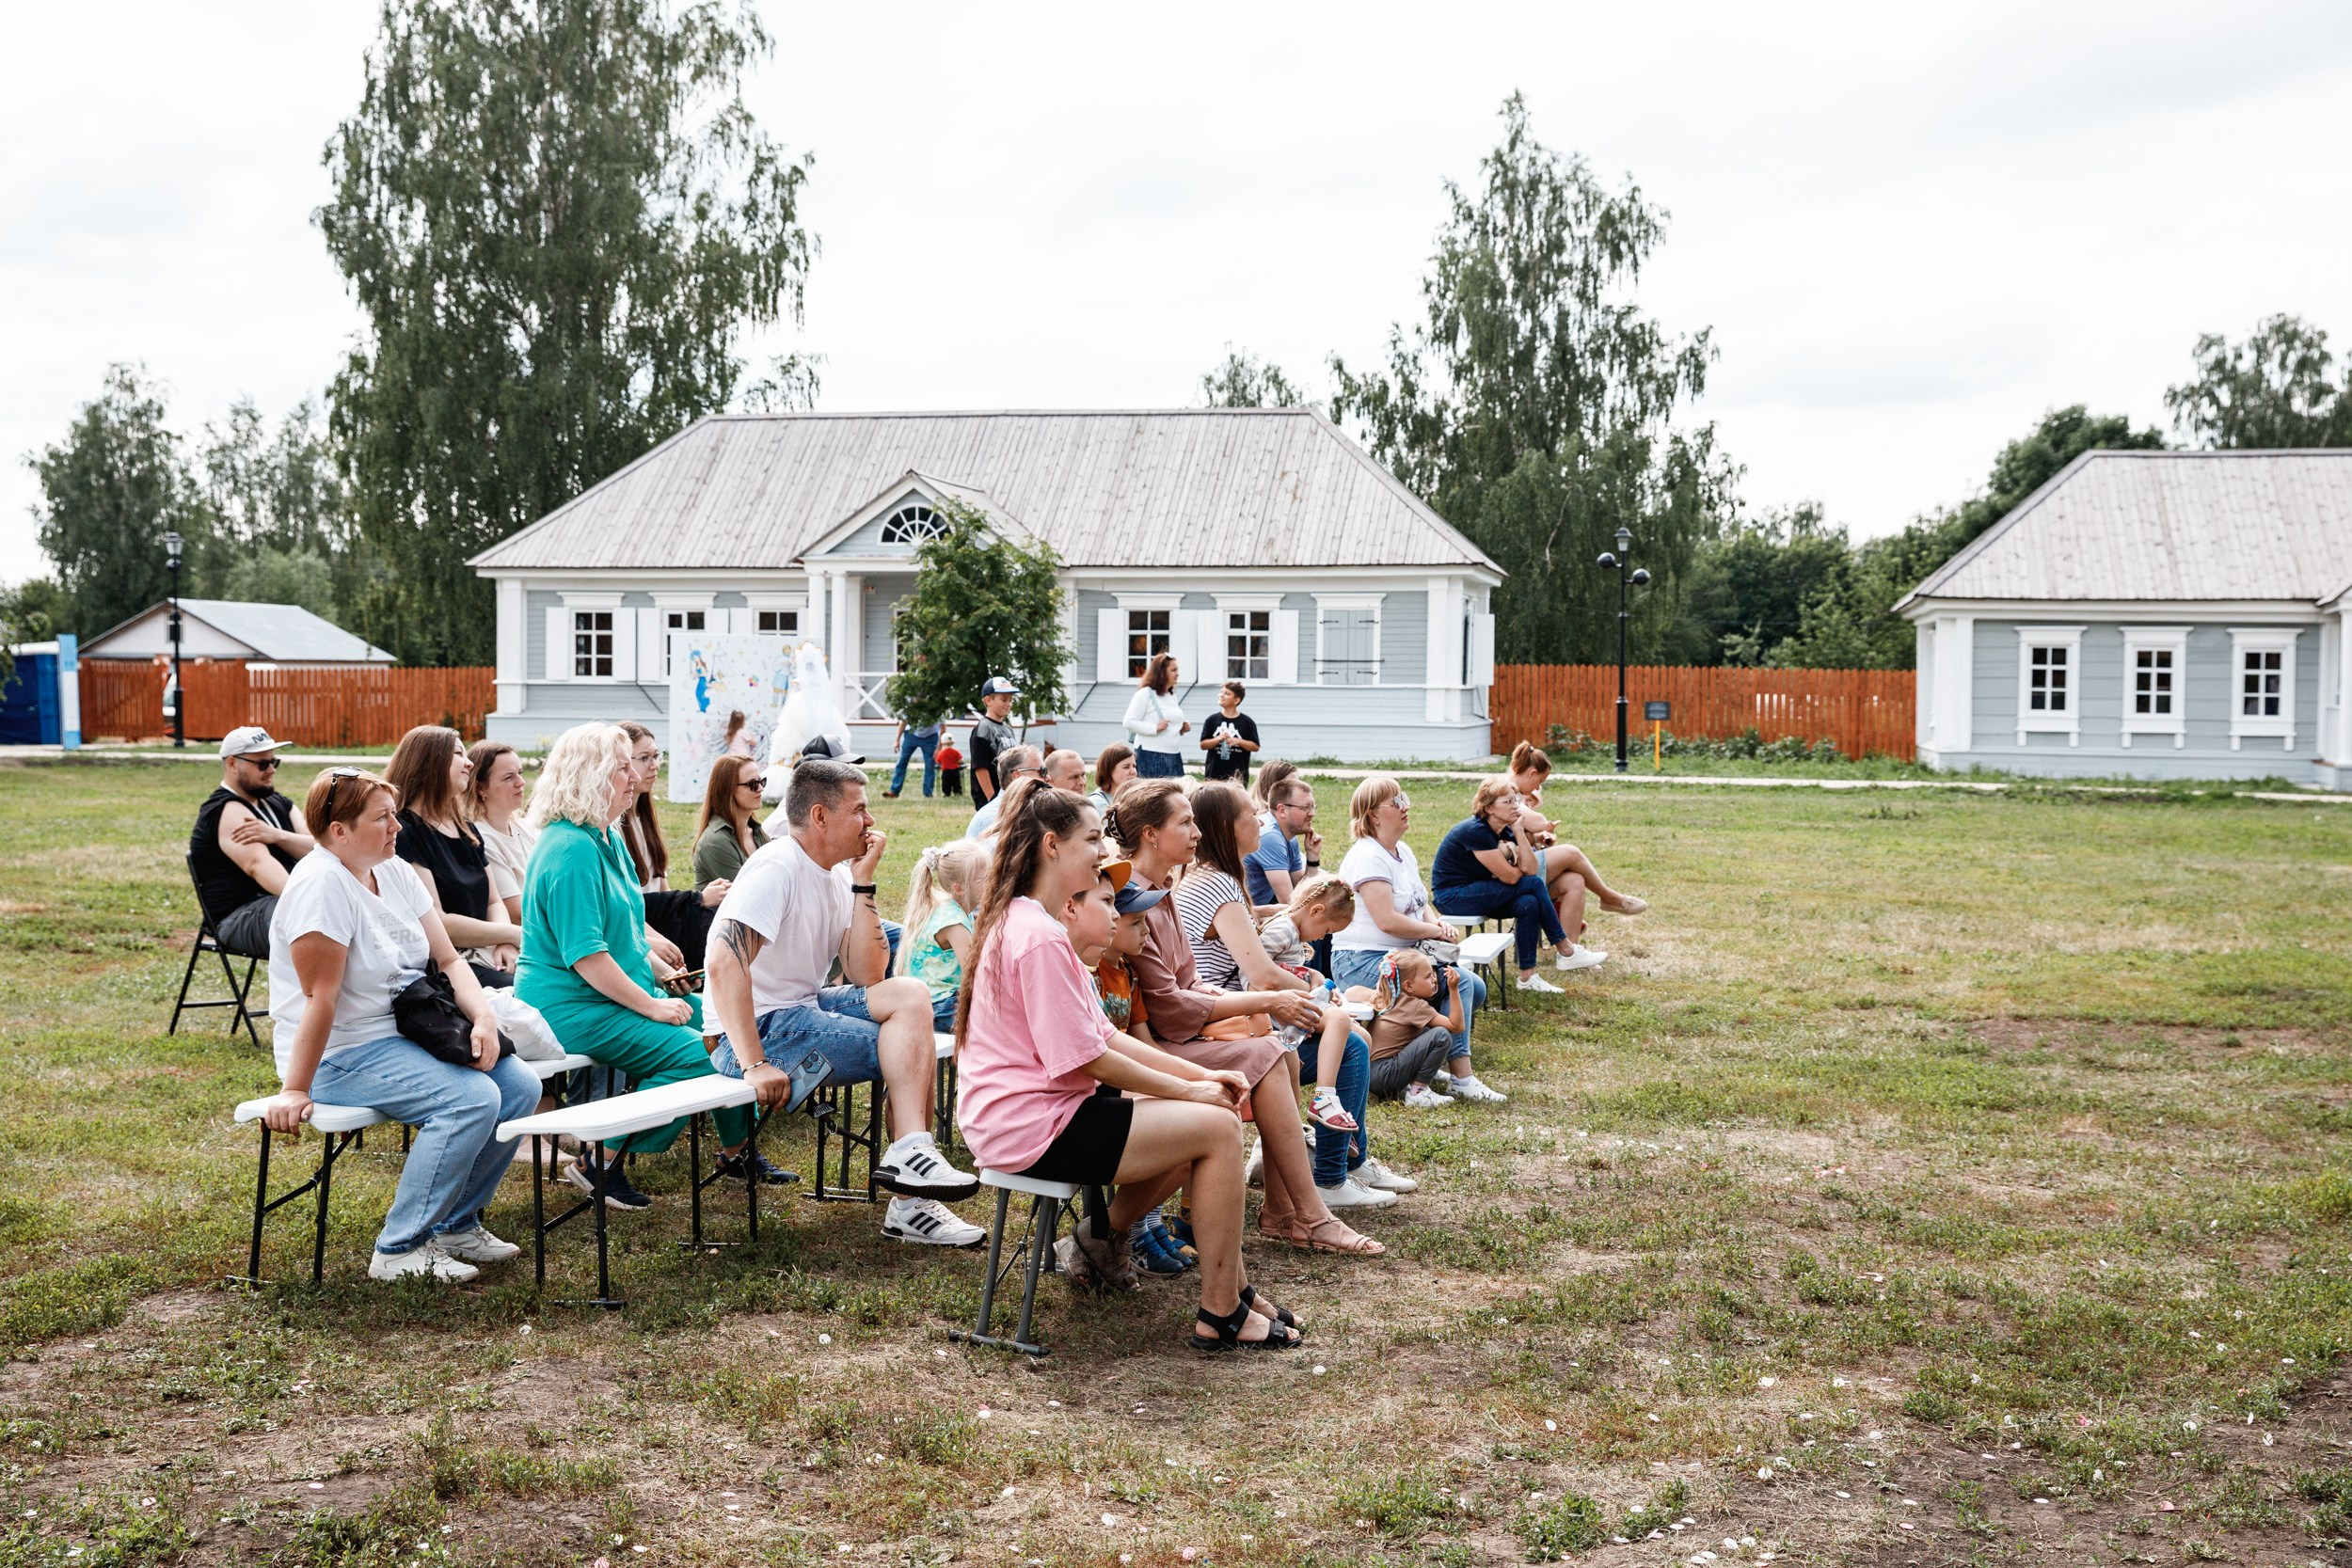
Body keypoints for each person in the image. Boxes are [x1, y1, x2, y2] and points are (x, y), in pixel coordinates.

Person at [957, 790, 1299, 1349]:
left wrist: (1197, 1084)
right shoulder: (1038, 934)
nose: (1101, 850)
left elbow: (1105, 1034)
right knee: (1215, 1128)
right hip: (1030, 1127)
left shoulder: (1030, 920)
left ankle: (1230, 1292)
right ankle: (1221, 1312)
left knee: (1207, 1116)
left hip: (1046, 1113)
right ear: (1052, 846)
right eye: (1091, 840)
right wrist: (1191, 1087)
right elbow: (1086, 1057)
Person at [258, 766, 539, 1281]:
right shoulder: (321, 885)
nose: (397, 827)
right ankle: (399, 1249)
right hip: (338, 1052)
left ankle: (457, 1224)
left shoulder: (394, 870)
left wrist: (481, 1019)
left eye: (394, 814)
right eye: (382, 817)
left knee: (518, 1084)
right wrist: (295, 1089)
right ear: (339, 831)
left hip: (408, 1034)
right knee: (471, 1099)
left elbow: (452, 962)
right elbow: (320, 998)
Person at [705, 757, 985, 1246]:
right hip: (755, 1033)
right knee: (910, 1043)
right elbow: (725, 962)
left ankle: (910, 1160)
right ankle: (912, 1198)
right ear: (820, 816)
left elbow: (866, 974)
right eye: (860, 810)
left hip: (802, 1008)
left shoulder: (835, 874)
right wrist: (752, 1063)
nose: (871, 821)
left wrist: (863, 883)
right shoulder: (778, 865)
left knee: (909, 994)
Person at [1113, 780, 1390, 1251]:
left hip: (1185, 1026)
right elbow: (1173, 1006)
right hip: (1157, 1042)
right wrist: (1267, 1002)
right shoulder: (1138, 896)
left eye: (1196, 821)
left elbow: (1191, 983)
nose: (1195, 832)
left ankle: (1289, 1210)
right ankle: (1311, 1207)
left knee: (1280, 1053)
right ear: (1151, 835)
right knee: (1293, 1050)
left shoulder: (1165, 886)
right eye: (1185, 822)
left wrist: (1262, 1005)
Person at [516, 724, 769, 1210]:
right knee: (698, 1058)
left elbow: (625, 929)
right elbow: (587, 957)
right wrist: (652, 1006)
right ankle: (598, 1160)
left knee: (728, 1028)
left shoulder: (604, 834)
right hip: (569, 1006)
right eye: (622, 767)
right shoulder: (569, 849)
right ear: (589, 775)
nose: (635, 776)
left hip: (610, 993)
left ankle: (736, 1151)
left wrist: (655, 967)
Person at [1177, 784, 1383, 1187]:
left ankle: (1344, 1166)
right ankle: (1332, 1176)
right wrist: (1318, 994)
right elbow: (1264, 975)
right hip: (1223, 1026)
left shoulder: (1212, 879)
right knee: (1353, 1046)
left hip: (1228, 1015)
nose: (1260, 821)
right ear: (1226, 827)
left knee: (1350, 1034)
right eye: (1251, 815)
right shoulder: (1220, 884)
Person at [1330, 775, 1503, 1104]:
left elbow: (1420, 904)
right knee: (1462, 984)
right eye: (1395, 802)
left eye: (1403, 797)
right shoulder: (1368, 856)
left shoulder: (1401, 851)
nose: (1405, 806)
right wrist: (1434, 931)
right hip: (1362, 960)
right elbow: (1388, 920)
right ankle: (1462, 1077)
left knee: (1475, 989)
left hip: (1401, 957)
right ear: (1373, 816)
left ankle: (1423, 1055)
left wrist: (1437, 921)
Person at [1431, 777, 1597, 987]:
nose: (1515, 807)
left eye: (1515, 801)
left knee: (1529, 902)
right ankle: (1566, 949)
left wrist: (1519, 831)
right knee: (1534, 885)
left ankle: (1528, 977)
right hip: (1453, 896)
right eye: (1507, 802)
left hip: (1481, 891)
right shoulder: (1475, 830)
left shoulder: (1506, 829)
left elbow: (1530, 869)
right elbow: (1511, 877)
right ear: (1489, 807)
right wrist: (1517, 867)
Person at [386, 725, 521, 981]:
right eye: (458, 754)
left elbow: (494, 901)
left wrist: (506, 943)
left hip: (490, 950)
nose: (469, 764)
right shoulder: (405, 833)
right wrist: (512, 934)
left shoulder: (465, 830)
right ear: (430, 763)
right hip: (448, 962)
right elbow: (439, 922)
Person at [191, 726, 315, 958]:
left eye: (273, 762)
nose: (271, 770)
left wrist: (278, 835)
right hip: (239, 915)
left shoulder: (276, 802)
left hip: (272, 905)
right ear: (232, 764)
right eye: (262, 764)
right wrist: (308, 901)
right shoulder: (227, 809)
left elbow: (319, 849)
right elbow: (258, 865)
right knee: (316, 922)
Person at [615, 721, 727, 972]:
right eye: (644, 758)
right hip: (639, 924)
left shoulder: (644, 817)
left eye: (656, 756)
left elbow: (661, 885)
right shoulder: (612, 827)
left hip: (656, 918)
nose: (655, 766)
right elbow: (628, 904)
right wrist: (695, 899)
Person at [1506, 741, 1649, 923]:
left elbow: (1518, 830)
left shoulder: (1514, 791)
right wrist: (1539, 825)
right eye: (1539, 782)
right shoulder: (1506, 791)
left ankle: (1569, 949)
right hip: (1510, 872)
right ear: (1532, 773)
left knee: (1575, 880)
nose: (1536, 788)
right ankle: (1610, 898)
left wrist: (1539, 837)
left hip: (1520, 862)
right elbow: (1537, 821)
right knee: (1571, 853)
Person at [896, 839, 988, 1031]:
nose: (993, 881)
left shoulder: (949, 907)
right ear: (959, 888)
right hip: (939, 1007)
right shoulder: (954, 922)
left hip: (931, 1000)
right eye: (984, 879)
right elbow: (976, 974)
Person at [1365, 949, 1470, 1108]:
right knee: (1440, 1035)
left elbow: (1352, 991)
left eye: (1433, 974)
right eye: (1428, 976)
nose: (1434, 979)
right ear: (1409, 986)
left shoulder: (1390, 998)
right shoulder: (1415, 1006)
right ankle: (1418, 1093)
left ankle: (1413, 1083)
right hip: (1384, 1075)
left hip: (1371, 1074)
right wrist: (1454, 989)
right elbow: (1457, 1026)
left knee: (1426, 1032)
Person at [465, 741, 533, 927]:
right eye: (508, 777)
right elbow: (517, 914)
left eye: (520, 773)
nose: (521, 782)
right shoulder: (481, 838)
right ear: (481, 788)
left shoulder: (526, 828)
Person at [691, 754, 771, 890]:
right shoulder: (715, 841)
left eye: (761, 781)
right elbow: (747, 893)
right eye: (752, 784)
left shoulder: (755, 830)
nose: (760, 789)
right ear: (728, 790)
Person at [1244, 774, 1321, 910]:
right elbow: (1289, 903)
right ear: (1282, 810)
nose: (1312, 813)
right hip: (1242, 917)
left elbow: (1300, 888)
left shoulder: (1289, 836)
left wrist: (1312, 858)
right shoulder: (1270, 837)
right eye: (1305, 808)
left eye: (1313, 807)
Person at [1122, 652, 1189, 778]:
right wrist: (1154, 728)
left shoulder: (1171, 695)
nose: (1177, 673)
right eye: (1173, 670)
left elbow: (1168, 723)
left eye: (1177, 670)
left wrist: (1181, 727)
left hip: (1174, 756)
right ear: (1161, 672)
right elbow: (1128, 722)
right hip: (1150, 755)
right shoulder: (1145, 694)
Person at [965, 746, 1044, 840]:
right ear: (1017, 776)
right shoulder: (993, 818)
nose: (1048, 777)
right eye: (1042, 771)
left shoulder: (1022, 808)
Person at [969, 677, 1022, 804]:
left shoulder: (1008, 730)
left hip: (1008, 795)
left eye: (1010, 700)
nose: (1008, 703)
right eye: (1004, 699)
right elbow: (980, 767)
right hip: (992, 799)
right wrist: (991, 798)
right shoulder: (983, 729)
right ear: (988, 700)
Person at [1199, 681, 1261, 784]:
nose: (1221, 695)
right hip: (1214, 774)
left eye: (1226, 693)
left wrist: (1238, 741)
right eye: (1221, 692)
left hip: (1237, 775)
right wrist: (1218, 739)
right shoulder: (1212, 720)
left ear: (1236, 700)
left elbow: (1255, 746)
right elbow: (1203, 745)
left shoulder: (1247, 722)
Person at [883, 715, 941, 800]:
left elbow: (943, 727)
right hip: (911, 735)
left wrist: (939, 748)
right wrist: (897, 740)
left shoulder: (937, 707)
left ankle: (928, 794)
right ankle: (894, 791)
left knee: (930, 765)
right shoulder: (911, 705)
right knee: (902, 762)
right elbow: (903, 722)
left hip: (930, 737)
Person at [1089, 744, 1136, 818]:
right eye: (1126, 767)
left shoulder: (1132, 798)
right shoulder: (1098, 803)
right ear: (1109, 770)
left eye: (1134, 766)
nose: (1133, 771)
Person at [936, 733, 965, 799]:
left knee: (946, 784)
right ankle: (957, 793)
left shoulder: (941, 752)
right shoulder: (956, 751)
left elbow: (938, 761)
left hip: (946, 771)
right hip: (955, 771)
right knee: (957, 783)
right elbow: (960, 761)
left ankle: (947, 793)